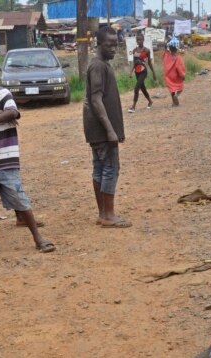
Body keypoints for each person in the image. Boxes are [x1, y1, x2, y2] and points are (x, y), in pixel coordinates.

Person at [0, 61, 55, 256]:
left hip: (6, 160)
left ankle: (37, 237)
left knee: (20, 199)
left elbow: (13, 113)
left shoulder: (4, 94)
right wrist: (0, 113)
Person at [83, 26, 131, 229]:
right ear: (98, 44)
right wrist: (110, 130)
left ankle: (103, 213)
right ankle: (108, 214)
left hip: (98, 128)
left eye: (115, 44)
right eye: (108, 45)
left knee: (100, 168)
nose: (113, 48)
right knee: (110, 167)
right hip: (101, 128)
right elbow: (95, 98)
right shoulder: (98, 66)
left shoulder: (101, 65)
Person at [128, 33, 155, 113]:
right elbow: (134, 62)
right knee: (142, 88)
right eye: (137, 40)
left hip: (143, 71)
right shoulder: (134, 51)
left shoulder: (147, 50)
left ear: (143, 40)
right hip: (137, 71)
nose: (139, 41)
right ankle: (150, 101)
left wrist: (153, 73)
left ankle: (133, 106)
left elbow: (149, 62)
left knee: (136, 88)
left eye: (140, 39)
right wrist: (130, 71)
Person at [163, 42, 185, 107]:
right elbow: (179, 68)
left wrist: (167, 45)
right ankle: (177, 95)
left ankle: (174, 103)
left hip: (169, 76)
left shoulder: (167, 56)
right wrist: (182, 75)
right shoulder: (178, 58)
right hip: (176, 76)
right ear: (177, 49)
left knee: (172, 89)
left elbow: (165, 51)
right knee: (180, 88)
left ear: (169, 48)